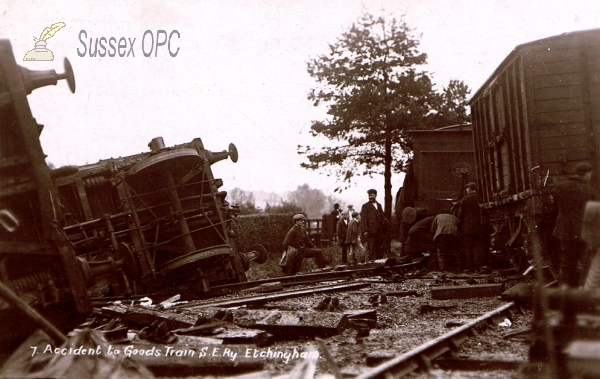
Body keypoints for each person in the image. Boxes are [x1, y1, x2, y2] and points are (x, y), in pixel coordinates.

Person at [553, 162, 599, 287]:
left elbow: (556, 207)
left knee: (567, 261)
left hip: (565, 230)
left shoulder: (560, 187)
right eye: (590, 174)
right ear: (586, 174)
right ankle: (583, 289)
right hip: (583, 231)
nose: (590, 177)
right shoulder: (590, 191)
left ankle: (568, 288)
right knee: (586, 262)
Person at [457, 182, 481, 273]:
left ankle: (470, 268)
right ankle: (478, 267)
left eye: (467, 189)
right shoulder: (480, 198)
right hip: (478, 227)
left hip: (467, 228)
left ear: (469, 189)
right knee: (478, 248)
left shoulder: (465, 199)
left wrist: (458, 226)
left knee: (469, 249)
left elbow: (461, 214)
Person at [360, 189, 386, 261]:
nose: (370, 197)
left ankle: (379, 263)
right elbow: (363, 219)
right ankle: (370, 264)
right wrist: (365, 230)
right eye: (369, 195)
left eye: (372, 195)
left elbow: (382, 216)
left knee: (380, 248)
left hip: (380, 231)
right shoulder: (365, 206)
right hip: (371, 231)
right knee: (371, 249)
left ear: (375, 195)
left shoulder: (379, 205)